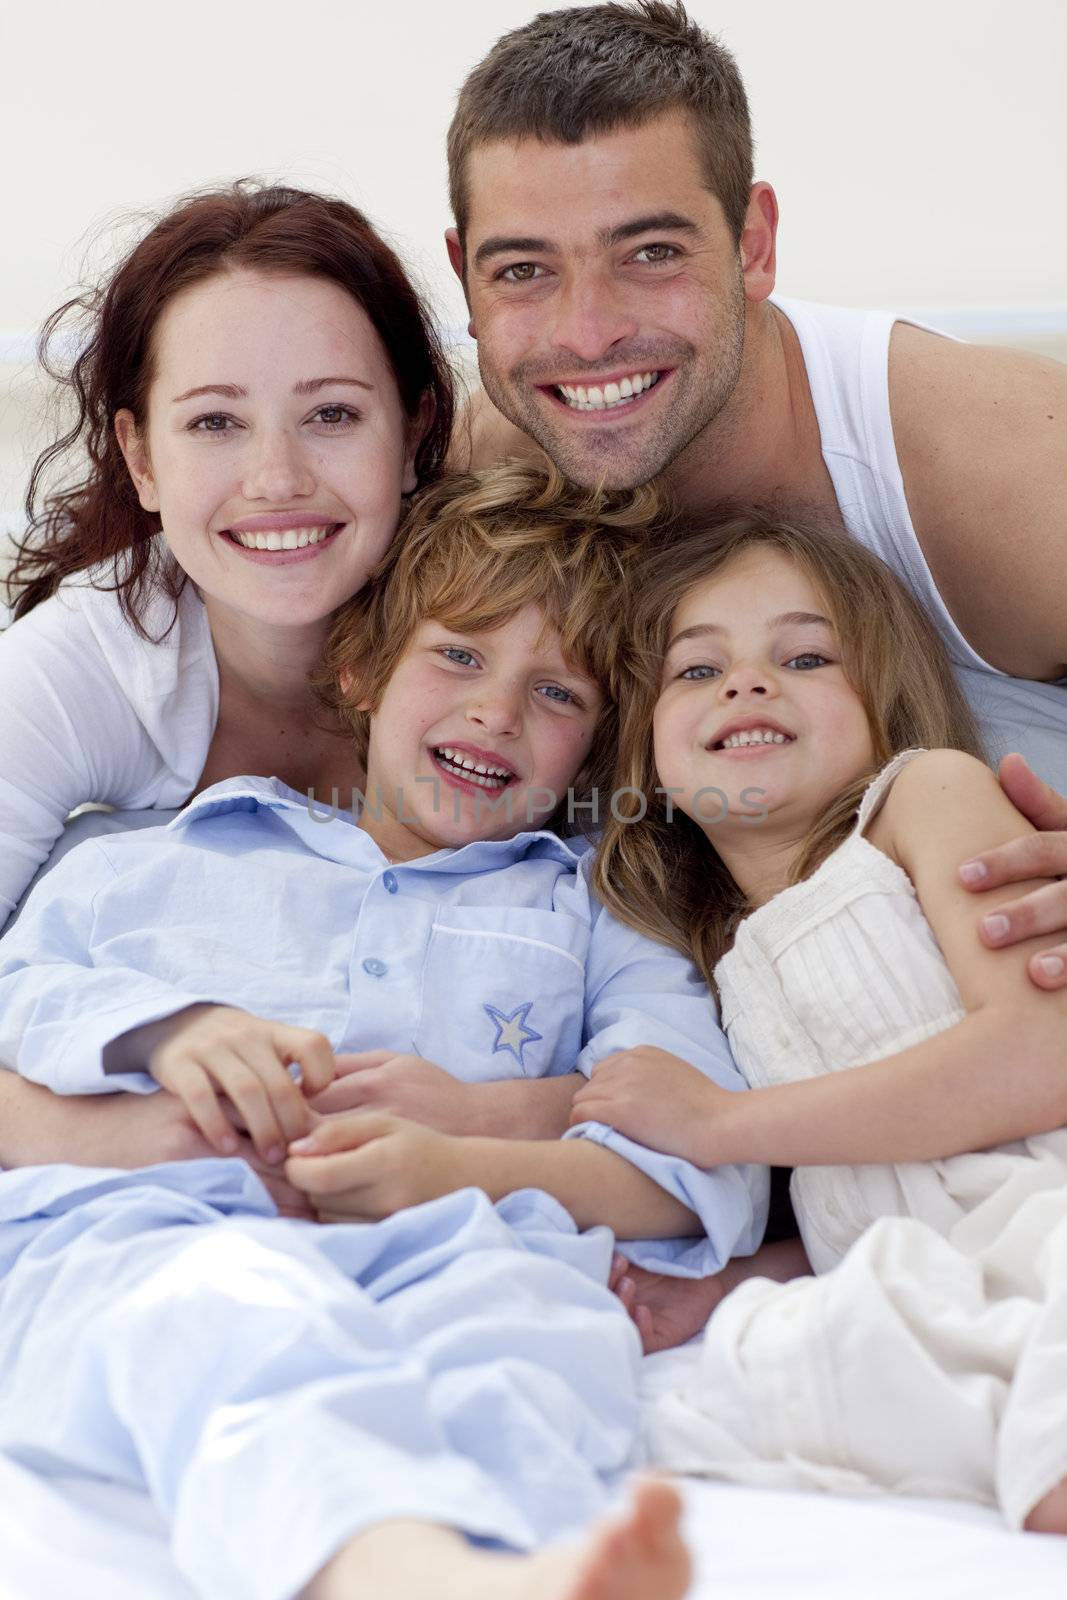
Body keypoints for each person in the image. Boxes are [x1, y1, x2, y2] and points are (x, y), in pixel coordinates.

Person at [0, 462, 769, 1599]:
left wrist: (457, 1166)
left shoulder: (594, 917)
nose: (495, 710)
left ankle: (509, 1561)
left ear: (596, 751)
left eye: (558, 695)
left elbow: (700, 1151)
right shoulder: (155, 853)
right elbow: (23, 990)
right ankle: (394, 1567)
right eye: (457, 654)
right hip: (155, 1226)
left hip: (462, 1236)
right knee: (232, 1320)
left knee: (537, 1336)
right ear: (360, 670)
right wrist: (167, 1031)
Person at [443, 0, 1067, 984]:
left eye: (649, 253)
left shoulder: (995, 462)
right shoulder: (488, 458)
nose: (586, 333)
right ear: (466, 283)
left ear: (752, 243)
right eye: (523, 270)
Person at [0, 183, 582, 1186]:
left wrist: (507, 1116)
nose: (275, 477)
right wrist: (133, 1141)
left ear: (413, 432)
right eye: (216, 422)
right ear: (141, 458)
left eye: (330, 414)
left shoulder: (524, 642)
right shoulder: (77, 670)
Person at [568, 510, 1067, 1534]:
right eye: (694, 671)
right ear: (643, 753)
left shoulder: (922, 800)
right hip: (923, 1276)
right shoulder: (707, 958)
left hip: (1045, 1209)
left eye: (802, 655)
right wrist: (730, 1282)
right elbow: (850, 1182)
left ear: (882, 703)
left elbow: (1038, 1055)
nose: (747, 684)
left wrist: (716, 1125)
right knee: (752, 1373)